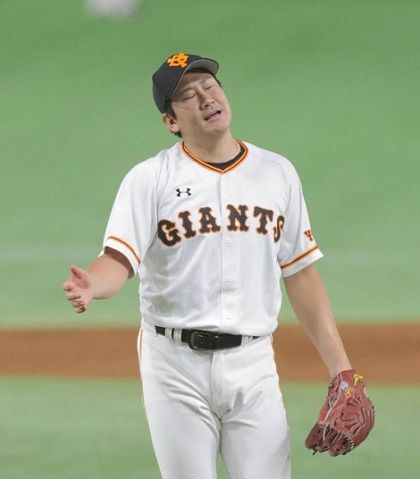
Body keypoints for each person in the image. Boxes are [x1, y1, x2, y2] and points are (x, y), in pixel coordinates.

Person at [62, 53, 372, 479]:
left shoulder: (277, 173)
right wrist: (92, 285)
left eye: (210, 86)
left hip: (253, 365)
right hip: (174, 366)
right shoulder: (149, 179)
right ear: (171, 121)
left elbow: (301, 273)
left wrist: (342, 369)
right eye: (188, 96)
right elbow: (118, 259)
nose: (206, 97)